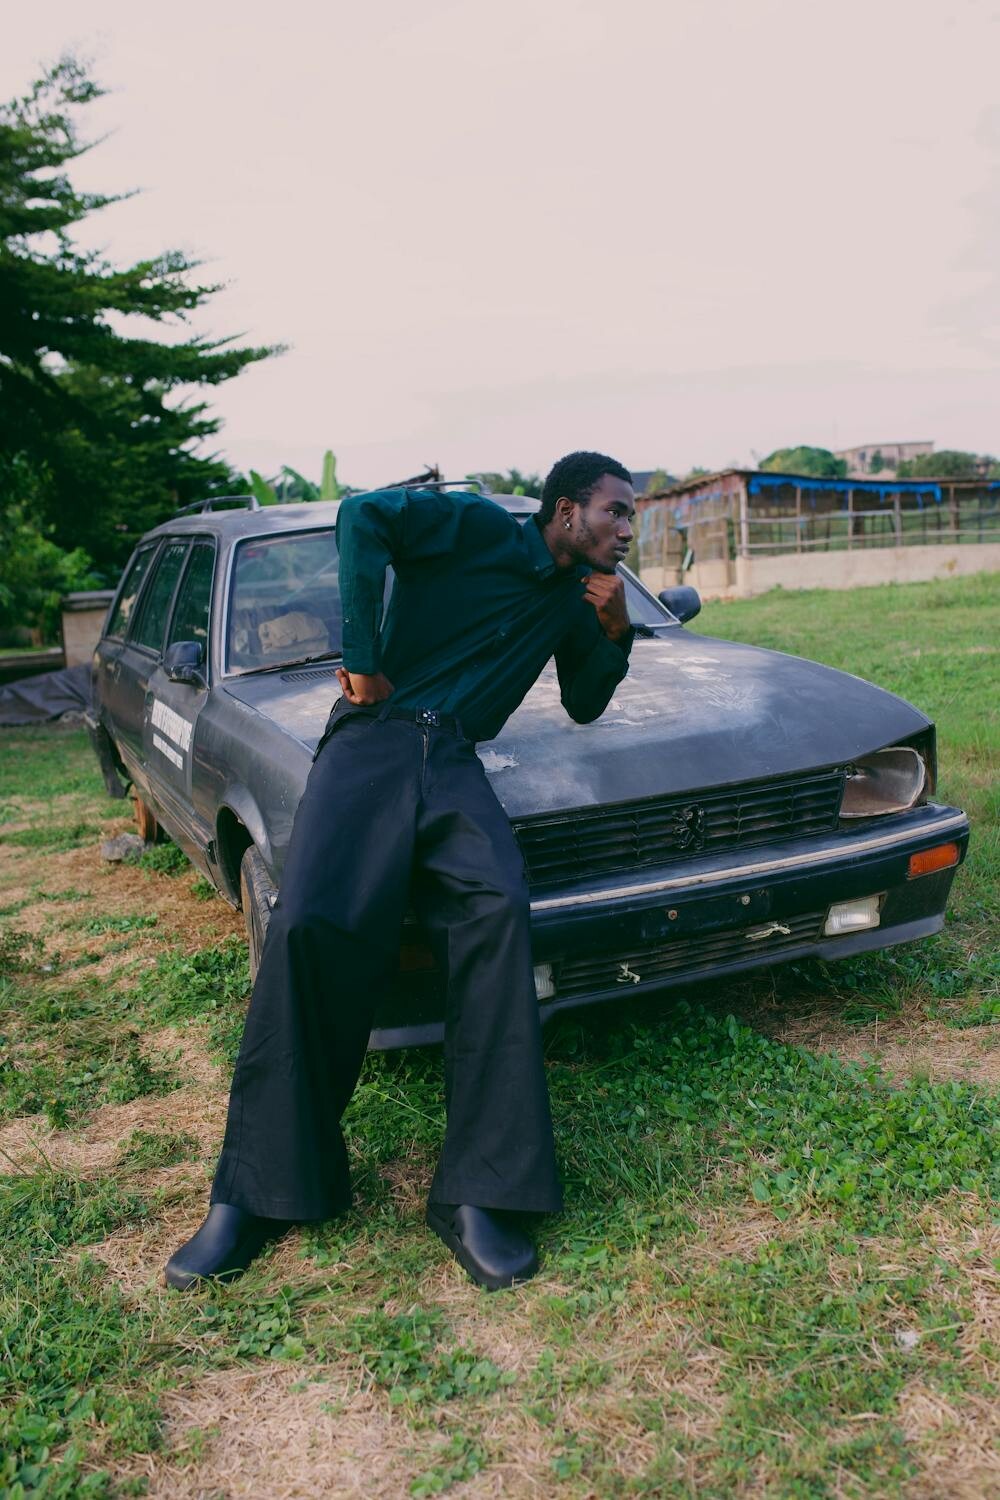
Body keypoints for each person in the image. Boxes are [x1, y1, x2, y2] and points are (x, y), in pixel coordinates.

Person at [165, 450, 636, 1292]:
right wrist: (362, 653)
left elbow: (584, 701)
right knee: (308, 923)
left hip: (452, 758)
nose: (628, 529)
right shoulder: (477, 526)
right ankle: (255, 1195)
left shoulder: (577, 598)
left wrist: (616, 628)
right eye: (617, 511)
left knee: (498, 907)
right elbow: (361, 517)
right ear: (567, 511)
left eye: (632, 515)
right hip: (372, 737)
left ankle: (477, 1195)